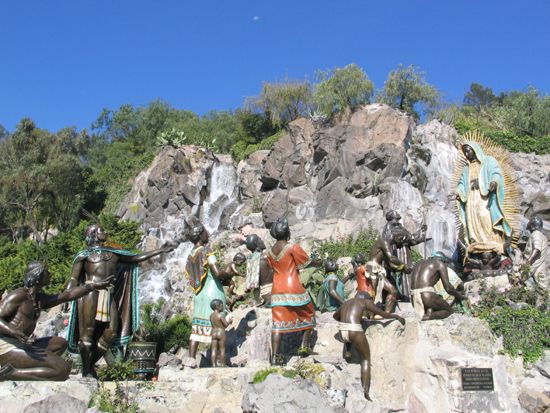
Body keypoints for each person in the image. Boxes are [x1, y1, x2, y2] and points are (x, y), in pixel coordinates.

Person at [66, 224, 172, 378]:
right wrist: (68, 295)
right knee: (87, 334)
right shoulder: (84, 255)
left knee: (111, 332)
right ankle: (87, 371)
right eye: (102, 230)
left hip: (107, 294)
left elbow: (134, 258)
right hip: (90, 293)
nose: (105, 232)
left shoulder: (113, 254)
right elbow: (73, 278)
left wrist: (159, 250)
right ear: (94, 234)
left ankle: (89, 364)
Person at [0, 262, 113, 381]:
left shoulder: (38, 298)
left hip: (23, 344)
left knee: (60, 344)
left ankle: (32, 365)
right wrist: (13, 332)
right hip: (7, 347)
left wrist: (92, 286)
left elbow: (68, 295)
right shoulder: (18, 295)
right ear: (38, 276)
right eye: (47, 272)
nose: (50, 274)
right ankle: (10, 373)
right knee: (62, 370)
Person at [333, 292, 405, 401]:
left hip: (342, 332)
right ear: (367, 299)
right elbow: (383, 314)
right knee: (365, 359)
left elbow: (335, 316)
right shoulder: (365, 302)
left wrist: (346, 320)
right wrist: (396, 316)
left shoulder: (347, 302)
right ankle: (366, 391)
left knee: (349, 337)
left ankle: (348, 351)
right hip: (354, 330)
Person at [266, 219, 316, 365]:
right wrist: (318, 262)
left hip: (277, 289)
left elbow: (272, 268)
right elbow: (306, 263)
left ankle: (276, 357)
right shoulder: (292, 247)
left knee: (278, 323)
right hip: (293, 286)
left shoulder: (269, 252)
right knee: (309, 312)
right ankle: (304, 346)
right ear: (287, 232)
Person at [455, 142, 511, 256]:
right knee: (472, 219)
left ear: (475, 149)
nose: (466, 153)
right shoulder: (467, 168)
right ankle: (476, 243)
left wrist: (493, 182)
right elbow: (462, 182)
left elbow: (496, 172)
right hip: (471, 198)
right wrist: (459, 192)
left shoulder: (488, 161)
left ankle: (491, 241)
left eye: (468, 150)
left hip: (484, 197)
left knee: (485, 216)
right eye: (465, 151)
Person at [185, 223, 227, 359]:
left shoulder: (191, 255)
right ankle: (220, 361)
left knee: (196, 329)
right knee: (217, 328)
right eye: (206, 232)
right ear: (201, 235)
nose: (208, 234)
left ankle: (190, 359)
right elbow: (217, 273)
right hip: (212, 293)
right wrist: (229, 274)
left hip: (199, 294)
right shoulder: (207, 251)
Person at [382, 210, 428, 299]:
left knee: (406, 273)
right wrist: (403, 239)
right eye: (396, 213)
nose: (398, 214)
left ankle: (406, 296)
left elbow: (411, 238)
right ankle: (401, 296)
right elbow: (389, 240)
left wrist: (421, 231)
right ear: (392, 216)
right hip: (397, 253)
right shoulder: (390, 226)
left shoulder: (399, 226)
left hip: (403, 252)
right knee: (401, 272)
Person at [366, 230, 412, 313]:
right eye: (401, 239)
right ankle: (367, 314)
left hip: (378, 271)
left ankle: (386, 314)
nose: (401, 242)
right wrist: (404, 265)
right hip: (373, 269)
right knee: (372, 293)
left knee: (393, 291)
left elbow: (391, 264)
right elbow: (391, 258)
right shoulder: (384, 242)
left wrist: (403, 269)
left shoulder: (388, 245)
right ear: (396, 236)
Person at [410, 253, 465, 320]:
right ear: (443, 261)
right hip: (426, 296)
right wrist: (459, 296)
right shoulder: (439, 264)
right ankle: (424, 317)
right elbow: (448, 288)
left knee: (433, 303)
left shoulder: (418, 263)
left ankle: (427, 315)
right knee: (449, 311)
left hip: (413, 297)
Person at [244, 234, 273, 306]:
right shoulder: (266, 258)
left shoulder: (250, 260)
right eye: (260, 239)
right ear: (256, 243)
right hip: (271, 291)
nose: (262, 240)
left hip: (258, 295)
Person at [522, 216, 548, 290]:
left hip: (532, 264)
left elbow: (537, 250)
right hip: (536, 264)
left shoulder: (536, 234)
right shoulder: (539, 235)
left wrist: (528, 261)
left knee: (521, 278)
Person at [209, 299, 231, 367]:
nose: (222, 307)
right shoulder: (220, 315)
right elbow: (226, 325)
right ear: (217, 306)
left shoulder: (211, 316)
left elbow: (213, 325)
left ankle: (213, 364)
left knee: (213, 349)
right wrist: (229, 321)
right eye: (221, 305)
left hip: (213, 332)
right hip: (221, 332)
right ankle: (223, 364)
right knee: (222, 349)